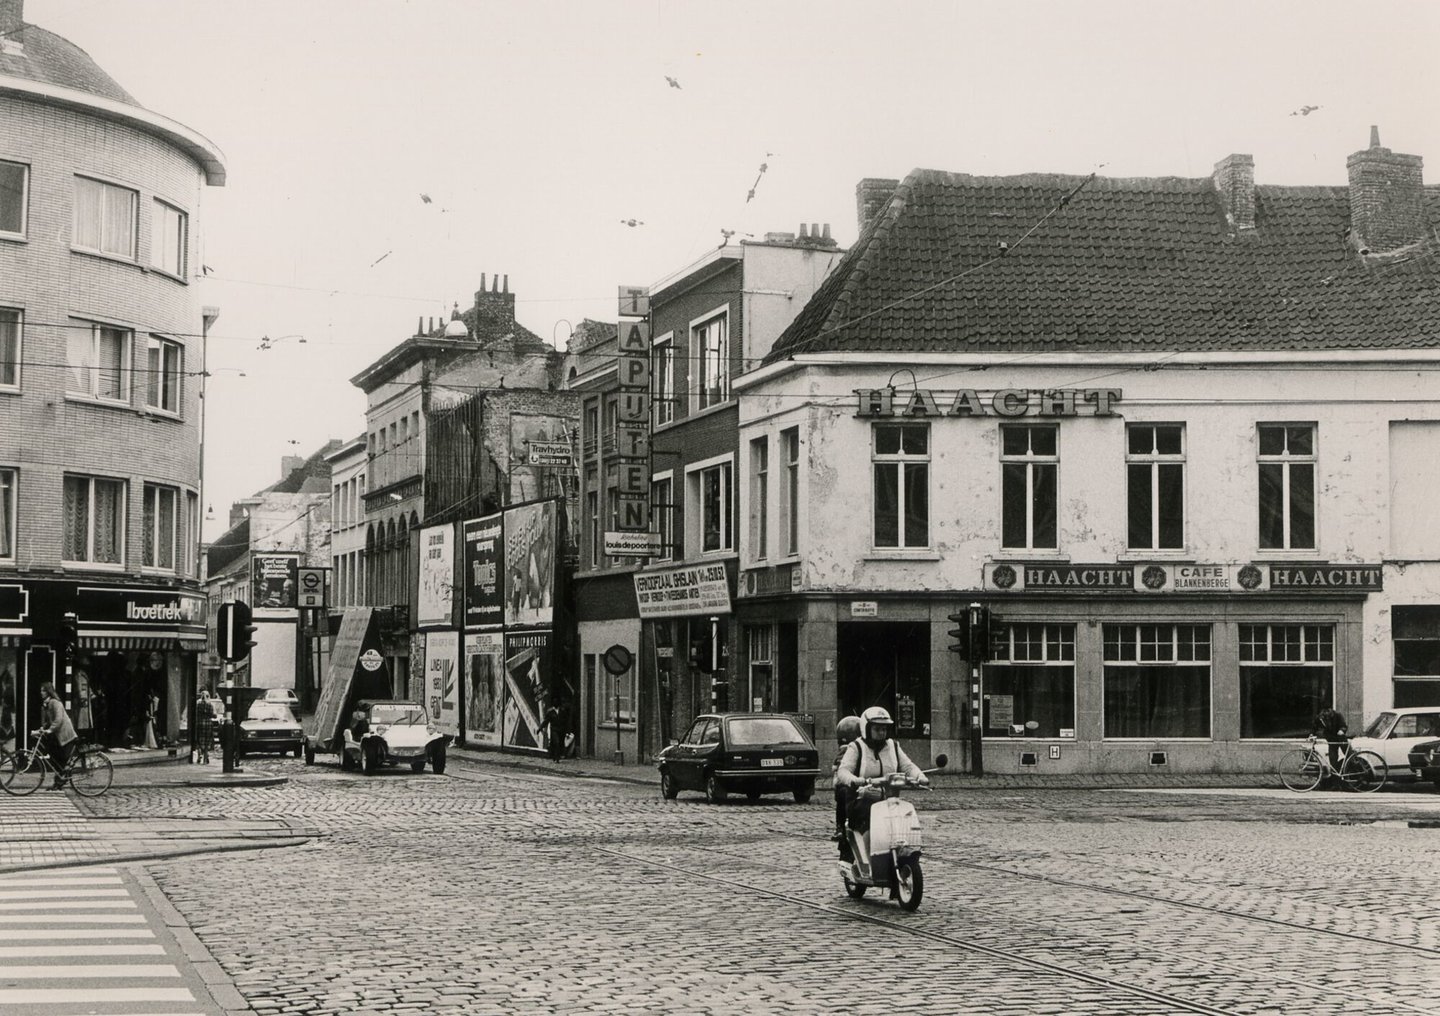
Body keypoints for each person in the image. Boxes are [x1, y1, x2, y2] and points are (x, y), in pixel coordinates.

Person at [833, 706, 927, 851]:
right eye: (877, 729)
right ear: (867, 728)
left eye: (884, 729)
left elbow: (908, 766)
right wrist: (855, 780)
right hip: (861, 800)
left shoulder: (893, 746)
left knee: (904, 816)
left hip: (889, 800)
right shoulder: (856, 747)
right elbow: (843, 771)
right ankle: (869, 858)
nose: (882, 732)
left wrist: (920, 777)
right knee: (870, 818)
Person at [37, 682, 78, 790]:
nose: (41, 693)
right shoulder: (45, 704)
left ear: (49, 691)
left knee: (62, 758)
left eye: (43, 690)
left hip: (65, 735)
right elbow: (47, 721)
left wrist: (50, 730)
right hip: (57, 735)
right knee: (54, 757)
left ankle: (61, 780)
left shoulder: (55, 703)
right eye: (41, 690)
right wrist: (43, 728)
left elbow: (58, 719)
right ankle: (58, 781)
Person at [831, 714, 862, 844]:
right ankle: (841, 827)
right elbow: (836, 767)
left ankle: (840, 827)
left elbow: (834, 767)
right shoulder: (851, 749)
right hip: (845, 784)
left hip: (851, 783)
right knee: (843, 799)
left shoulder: (858, 748)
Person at [1313, 706, 1349, 783]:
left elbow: (1344, 726)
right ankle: (1335, 780)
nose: (1325, 713)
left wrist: (1342, 730)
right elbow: (1315, 727)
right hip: (1331, 739)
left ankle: (1355, 771)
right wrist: (1312, 734)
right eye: (1324, 711)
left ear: (1330, 710)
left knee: (1349, 755)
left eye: (1327, 711)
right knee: (1333, 759)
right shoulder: (1320, 718)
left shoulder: (1337, 715)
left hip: (1340, 738)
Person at [194, 690, 215, 764]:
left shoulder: (198, 704)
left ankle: (199, 755)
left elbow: (195, 713)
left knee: (199, 740)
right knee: (207, 741)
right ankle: (205, 758)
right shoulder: (210, 704)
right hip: (208, 724)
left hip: (199, 723)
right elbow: (213, 714)